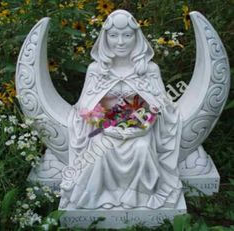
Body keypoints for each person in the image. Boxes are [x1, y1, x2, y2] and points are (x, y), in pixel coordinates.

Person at [60, 9, 182, 210]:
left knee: (142, 149)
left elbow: (160, 104)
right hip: (103, 128)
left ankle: (139, 198)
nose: (120, 42)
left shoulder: (149, 70)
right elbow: (85, 106)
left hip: (140, 129)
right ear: (105, 38)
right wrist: (104, 126)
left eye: (127, 35)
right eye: (114, 35)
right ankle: (101, 196)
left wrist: (145, 125)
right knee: (100, 148)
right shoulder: (97, 70)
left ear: (136, 37)